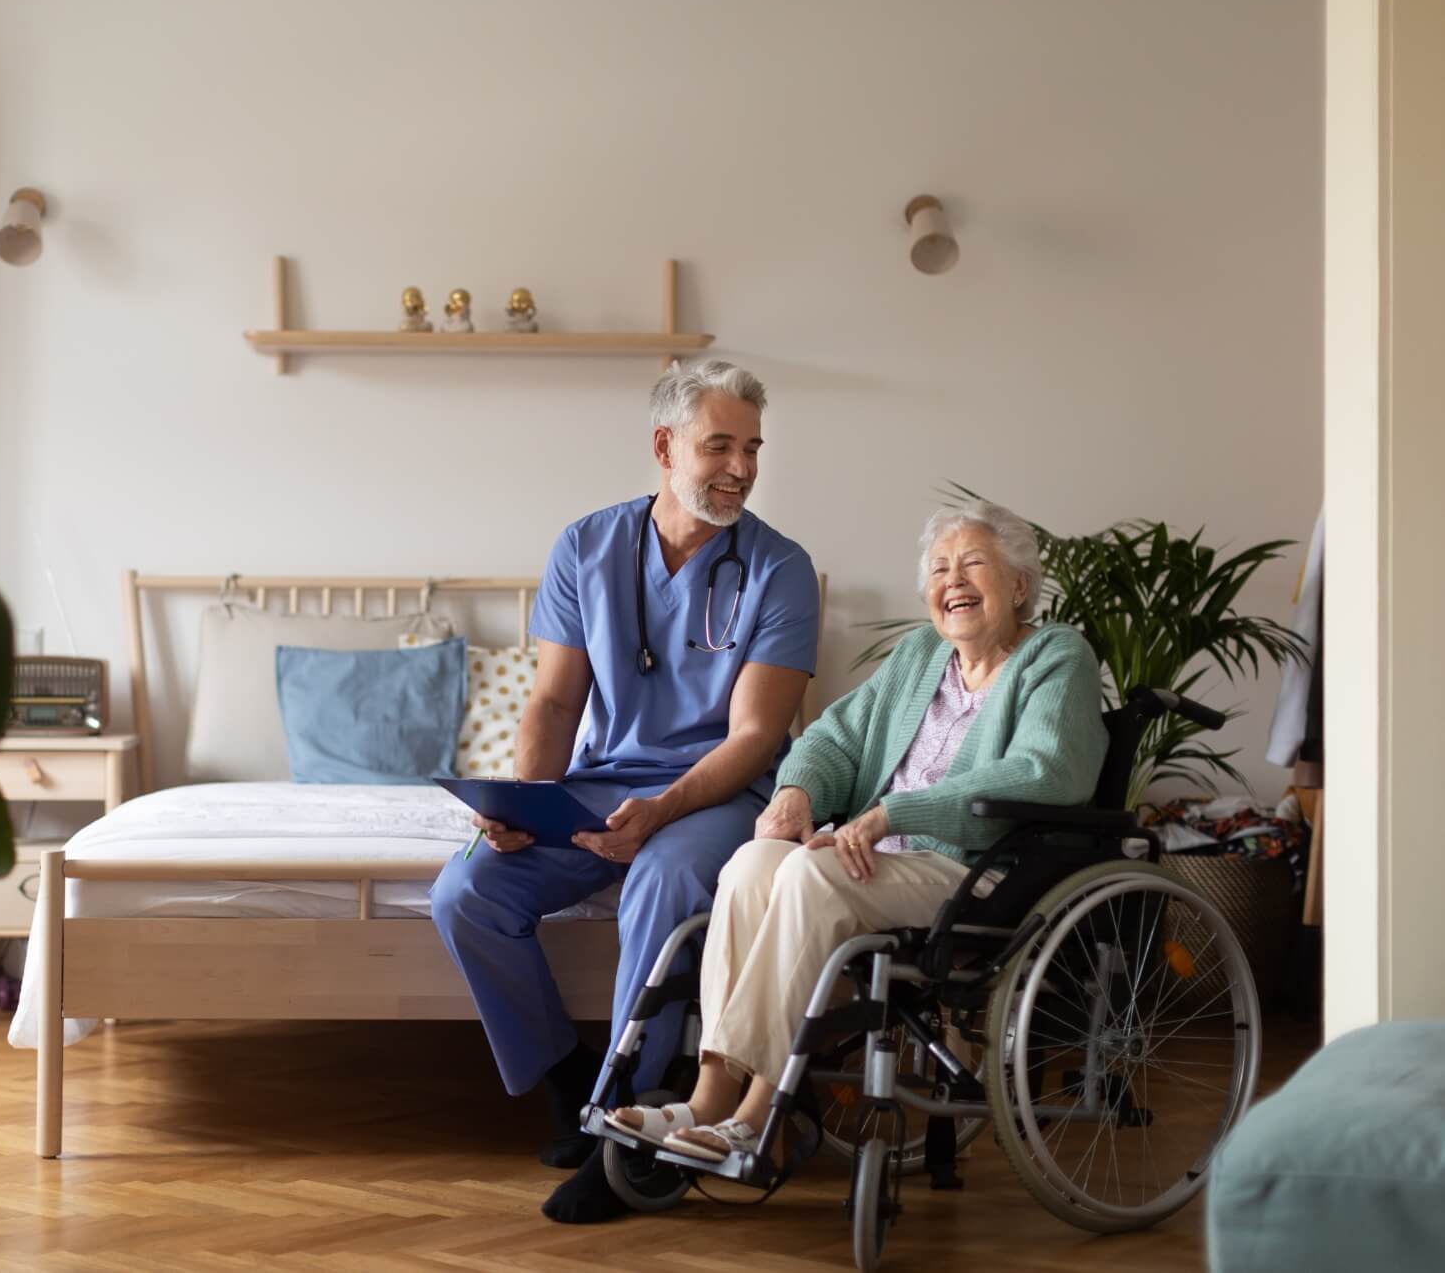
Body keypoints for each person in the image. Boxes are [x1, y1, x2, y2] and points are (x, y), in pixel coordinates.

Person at [604, 499, 1108, 1176]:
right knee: (755, 861)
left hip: (975, 872)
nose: (951, 580)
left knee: (810, 875)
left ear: (1019, 584)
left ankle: (757, 1117)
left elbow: (1042, 771)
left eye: (973, 564)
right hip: (874, 863)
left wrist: (894, 816)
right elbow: (833, 737)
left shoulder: (1056, 656)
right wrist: (795, 796)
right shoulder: (920, 656)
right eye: (939, 568)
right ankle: (707, 1098)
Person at [429, 360, 820, 1223]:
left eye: (752, 448)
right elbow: (555, 700)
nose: (743, 467)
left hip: (724, 794)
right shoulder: (586, 546)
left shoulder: (780, 569)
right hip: (605, 783)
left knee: (665, 882)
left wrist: (663, 814)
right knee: (466, 890)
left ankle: (624, 1129)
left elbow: (757, 735)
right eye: (720, 445)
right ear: (664, 445)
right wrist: (523, 803)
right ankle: (565, 1073)